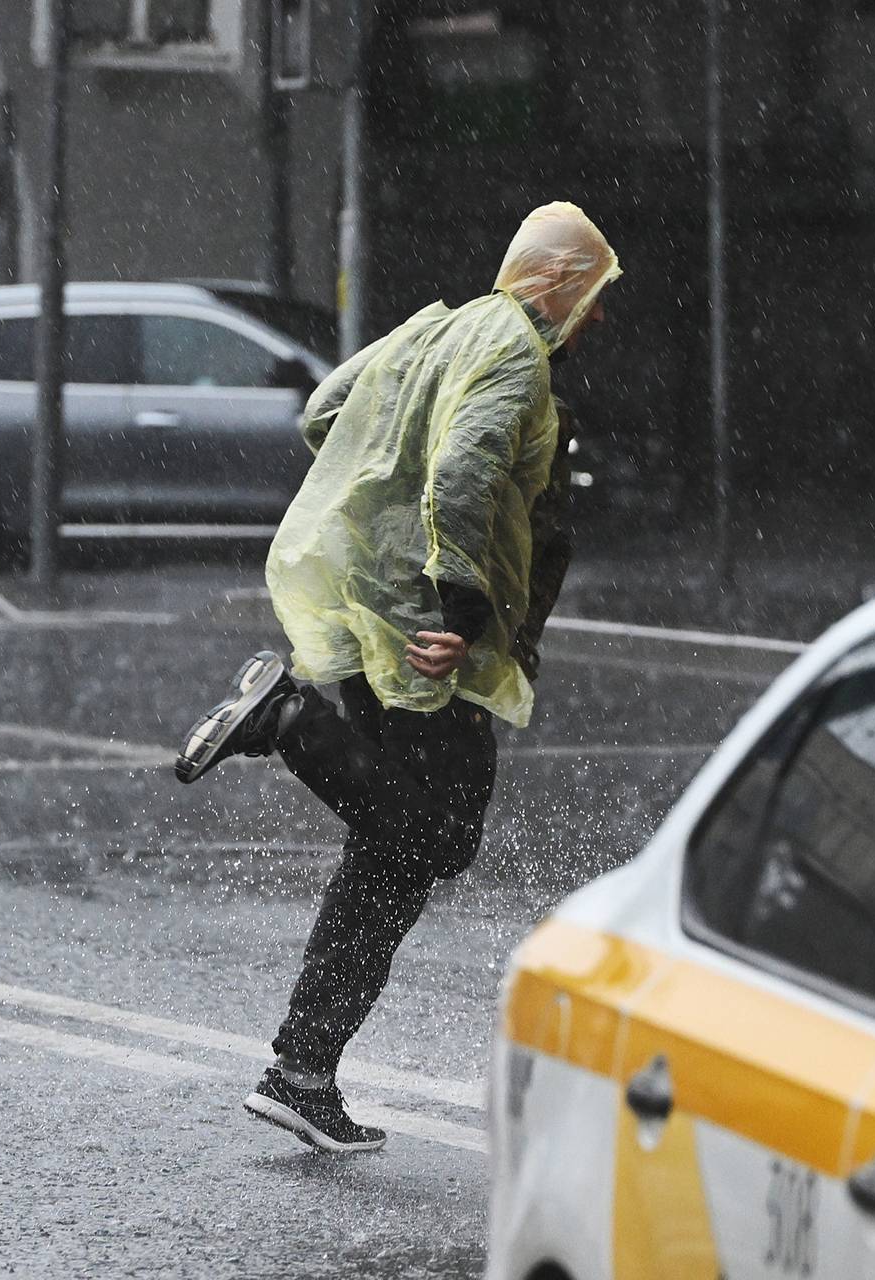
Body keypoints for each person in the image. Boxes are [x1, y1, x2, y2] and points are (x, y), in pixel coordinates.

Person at [173, 202, 620, 1152]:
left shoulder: (436, 329)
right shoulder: (514, 358)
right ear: (556, 284)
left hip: (382, 613)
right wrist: (459, 607)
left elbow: (325, 412)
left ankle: (300, 1070)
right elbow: (460, 474)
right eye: (593, 293)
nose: (599, 314)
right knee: (443, 835)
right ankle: (288, 721)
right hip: (428, 634)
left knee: (391, 857)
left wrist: (387, 488)